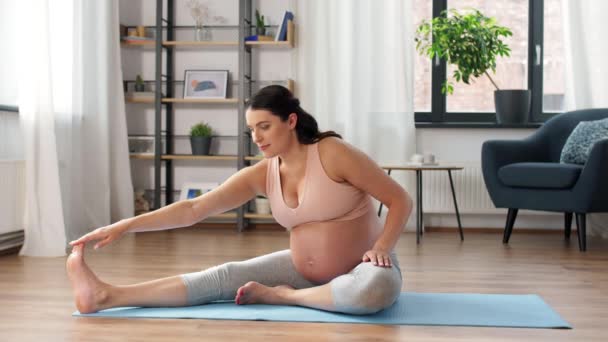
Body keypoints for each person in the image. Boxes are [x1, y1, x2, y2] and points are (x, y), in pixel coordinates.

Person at [67, 85, 413, 315]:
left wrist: (383, 246)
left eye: (264, 126)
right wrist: (126, 225)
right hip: (304, 272)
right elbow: (194, 209)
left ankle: (283, 296)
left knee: (373, 290)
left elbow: (399, 200)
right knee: (224, 276)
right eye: (251, 129)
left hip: (364, 266)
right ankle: (104, 296)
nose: (256, 137)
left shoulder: (333, 153)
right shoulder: (263, 172)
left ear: (291, 121)